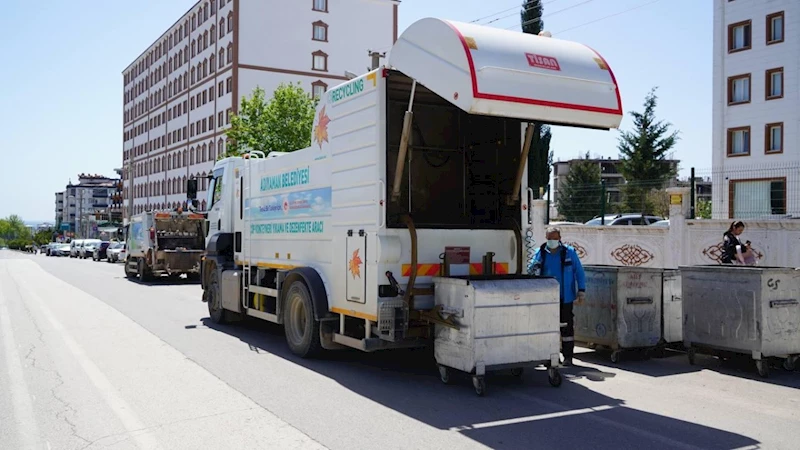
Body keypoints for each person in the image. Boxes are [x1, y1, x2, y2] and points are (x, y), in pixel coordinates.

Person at [528, 226, 586, 366]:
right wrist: (533, 267)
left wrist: (581, 291)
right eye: (549, 238)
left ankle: (567, 357)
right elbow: (530, 270)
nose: (551, 241)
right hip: (546, 299)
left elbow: (579, 272)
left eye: (554, 238)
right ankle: (550, 356)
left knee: (566, 327)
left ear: (559, 238)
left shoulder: (569, 253)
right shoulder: (540, 252)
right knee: (546, 327)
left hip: (564, 296)